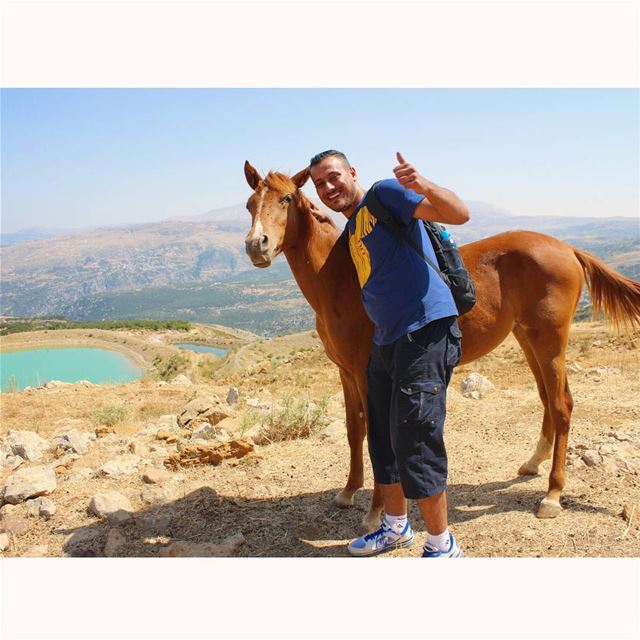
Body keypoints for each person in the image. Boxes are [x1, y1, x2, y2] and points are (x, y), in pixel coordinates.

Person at [309, 149, 470, 558]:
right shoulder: (352, 229)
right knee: (381, 435)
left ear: (352, 173)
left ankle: (441, 544)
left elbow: (459, 214)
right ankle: (396, 528)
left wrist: (424, 184)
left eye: (333, 177)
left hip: (425, 329)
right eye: (320, 184)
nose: (328, 188)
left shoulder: (385, 194)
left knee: (415, 436)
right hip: (386, 339)